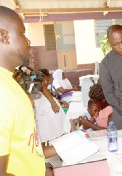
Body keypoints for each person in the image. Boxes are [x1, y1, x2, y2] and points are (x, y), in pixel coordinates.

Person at [0, 6, 45, 175]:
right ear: (3, 36)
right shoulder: (1, 93)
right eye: (22, 33)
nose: (28, 41)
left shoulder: (9, 82)